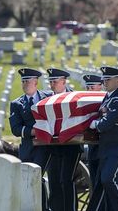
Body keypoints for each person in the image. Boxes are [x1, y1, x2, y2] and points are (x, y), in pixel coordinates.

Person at [87, 66, 118, 211]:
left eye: (108, 79)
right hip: (107, 149)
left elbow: (105, 124)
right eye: (104, 79)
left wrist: (95, 123)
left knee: (108, 179)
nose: (105, 82)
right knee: (100, 185)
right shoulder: (109, 97)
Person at [9, 68, 52, 210]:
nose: (25, 83)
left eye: (28, 81)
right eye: (23, 81)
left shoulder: (48, 97)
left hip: (47, 147)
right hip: (28, 148)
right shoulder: (17, 104)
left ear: (36, 82)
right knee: (27, 181)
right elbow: (15, 129)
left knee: (36, 178)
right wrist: (34, 131)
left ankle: (44, 208)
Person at [46, 68, 82, 211]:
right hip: (53, 147)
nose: (52, 85)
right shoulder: (47, 99)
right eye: (50, 82)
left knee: (66, 180)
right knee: (54, 182)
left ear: (63, 81)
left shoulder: (74, 98)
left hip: (71, 146)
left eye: (55, 82)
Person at [83, 74, 104, 187]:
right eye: (87, 87)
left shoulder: (106, 99)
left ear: (100, 86)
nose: (89, 90)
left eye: (92, 87)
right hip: (91, 144)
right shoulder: (84, 102)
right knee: (94, 177)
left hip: (104, 144)